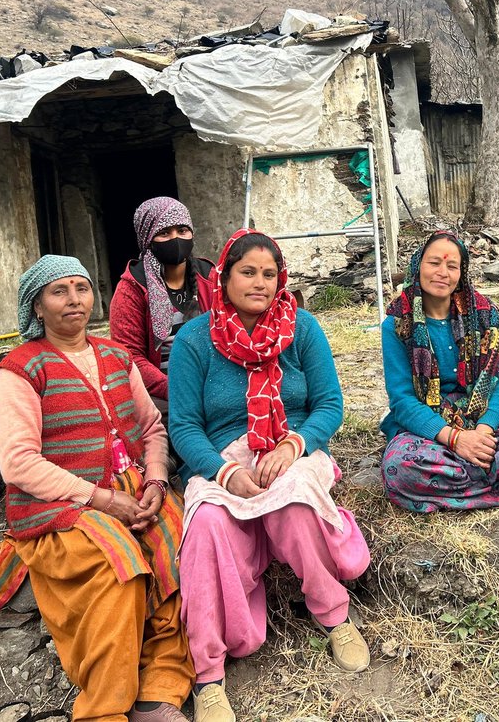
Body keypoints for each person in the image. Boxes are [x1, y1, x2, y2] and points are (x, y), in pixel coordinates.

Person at [167, 230, 371, 722]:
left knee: (293, 498)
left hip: (292, 445)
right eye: (248, 272)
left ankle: (333, 613)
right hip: (220, 458)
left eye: (269, 273)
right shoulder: (194, 340)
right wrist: (224, 472)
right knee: (207, 528)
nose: (260, 283)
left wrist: (292, 445)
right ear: (223, 277)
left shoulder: (302, 328)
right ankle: (208, 674)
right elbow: (184, 426)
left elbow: (329, 404)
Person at [0, 255, 194, 722]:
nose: (74, 299)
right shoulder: (21, 370)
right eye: (59, 291)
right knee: (117, 565)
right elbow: (18, 463)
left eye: (81, 288)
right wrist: (101, 499)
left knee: (181, 548)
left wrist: (156, 480)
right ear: (37, 306)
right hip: (62, 507)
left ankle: (160, 688)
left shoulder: (117, 357)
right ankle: (105, 707)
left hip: (135, 490)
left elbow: (152, 428)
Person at [380, 231, 499, 512]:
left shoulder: (485, 316)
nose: (443, 273)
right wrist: (456, 439)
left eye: (452, 266)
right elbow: (402, 400)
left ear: (462, 272)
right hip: (430, 431)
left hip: (485, 424)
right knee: (400, 469)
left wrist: (483, 432)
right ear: (417, 267)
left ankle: (465, 476)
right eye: (434, 263)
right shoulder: (397, 324)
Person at [110, 197, 214, 411]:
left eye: (182, 230)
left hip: (212, 383)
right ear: (147, 239)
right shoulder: (132, 289)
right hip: (161, 394)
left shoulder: (211, 277)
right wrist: (177, 391)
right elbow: (130, 357)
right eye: (164, 233)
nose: (175, 239)